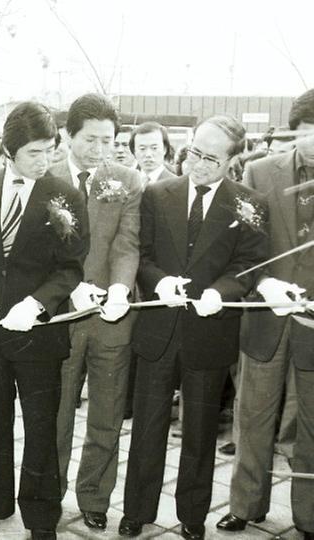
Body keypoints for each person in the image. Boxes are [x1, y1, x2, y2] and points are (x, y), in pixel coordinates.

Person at [119, 116, 268, 539]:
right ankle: (137, 511)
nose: (198, 164)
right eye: (193, 153)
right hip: (158, 333)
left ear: (233, 160)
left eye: (211, 158)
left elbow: (249, 266)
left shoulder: (249, 204)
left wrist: (221, 291)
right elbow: (142, 254)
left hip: (209, 333)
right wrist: (158, 280)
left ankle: (192, 517)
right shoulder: (156, 194)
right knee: (146, 428)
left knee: (200, 434)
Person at [0, 101, 89, 540]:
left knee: (40, 427)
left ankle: (40, 517)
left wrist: (37, 304)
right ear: (7, 151)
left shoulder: (66, 196)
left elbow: (71, 267)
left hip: (38, 334)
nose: (45, 160)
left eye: (50, 149)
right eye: (33, 152)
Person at [217, 89, 314, 539]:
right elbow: (243, 248)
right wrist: (264, 284)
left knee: (311, 426)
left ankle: (308, 515)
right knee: (253, 416)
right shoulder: (259, 172)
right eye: (308, 131)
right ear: (294, 130)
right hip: (267, 317)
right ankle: (245, 505)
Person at [50, 93, 143, 532]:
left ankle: (94, 497)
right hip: (59, 316)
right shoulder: (44, 177)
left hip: (110, 317)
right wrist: (70, 289)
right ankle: (48, 493)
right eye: (91, 140)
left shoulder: (126, 179)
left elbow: (127, 242)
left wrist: (121, 288)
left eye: (108, 141)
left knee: (106, 415)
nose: (100, 150)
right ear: (68, 135)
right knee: (55, 413)